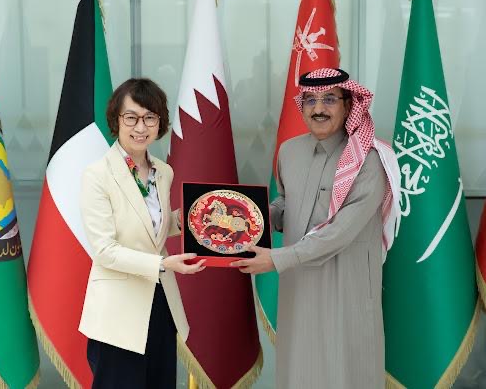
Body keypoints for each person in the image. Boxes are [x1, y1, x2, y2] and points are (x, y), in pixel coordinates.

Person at [231, 68, 400, 388]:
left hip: (346, 286)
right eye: (310, 100)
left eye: (329, 99)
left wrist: (276, 259)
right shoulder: (289, 151)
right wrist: (245, 219)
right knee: (299, 369)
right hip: (298, 285)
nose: (318, 109)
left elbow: (342, 230)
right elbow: (286, 204)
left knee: (345, 371)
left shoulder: (370, 159)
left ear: (349, 105)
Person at [79, 78, 206, 388]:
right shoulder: (96, 175)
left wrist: (192, 218)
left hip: (160, 302)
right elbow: (105, 250)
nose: (140, 127)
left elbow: (152, 228)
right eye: (131, 117)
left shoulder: (163, 171)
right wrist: (162, 264)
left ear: (159, 123)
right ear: (116, 120)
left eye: (150, 117)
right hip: (118, 313)